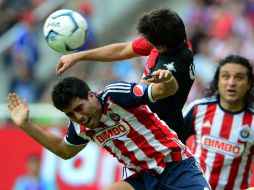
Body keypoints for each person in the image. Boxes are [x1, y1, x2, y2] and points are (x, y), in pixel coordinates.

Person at [8, 69, 210, 190]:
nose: (78, 117)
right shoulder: (80, 126)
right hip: (140, 178)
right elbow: (64, 150)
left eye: (79, 108)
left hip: (175, 166)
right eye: (70, 114)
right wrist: (26, 124)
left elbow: (167, 90)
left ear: (90, 96)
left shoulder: (116, 95)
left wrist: (168, 80)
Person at [56, 8, 195, 144]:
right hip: (147, 132)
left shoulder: (171, 67)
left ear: (161, 47)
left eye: (149, 42)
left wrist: (99, 100)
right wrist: (78, 56)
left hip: (162, 139)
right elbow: (124, 49)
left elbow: (141, 94)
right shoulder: (171, 36)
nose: (145, 42)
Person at [183, 55, 254, 190]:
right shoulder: (198, 109)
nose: (231, 83)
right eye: (225, 76)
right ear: (218, 81)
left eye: (239, 77)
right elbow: (173, 144)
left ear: (249, 84)